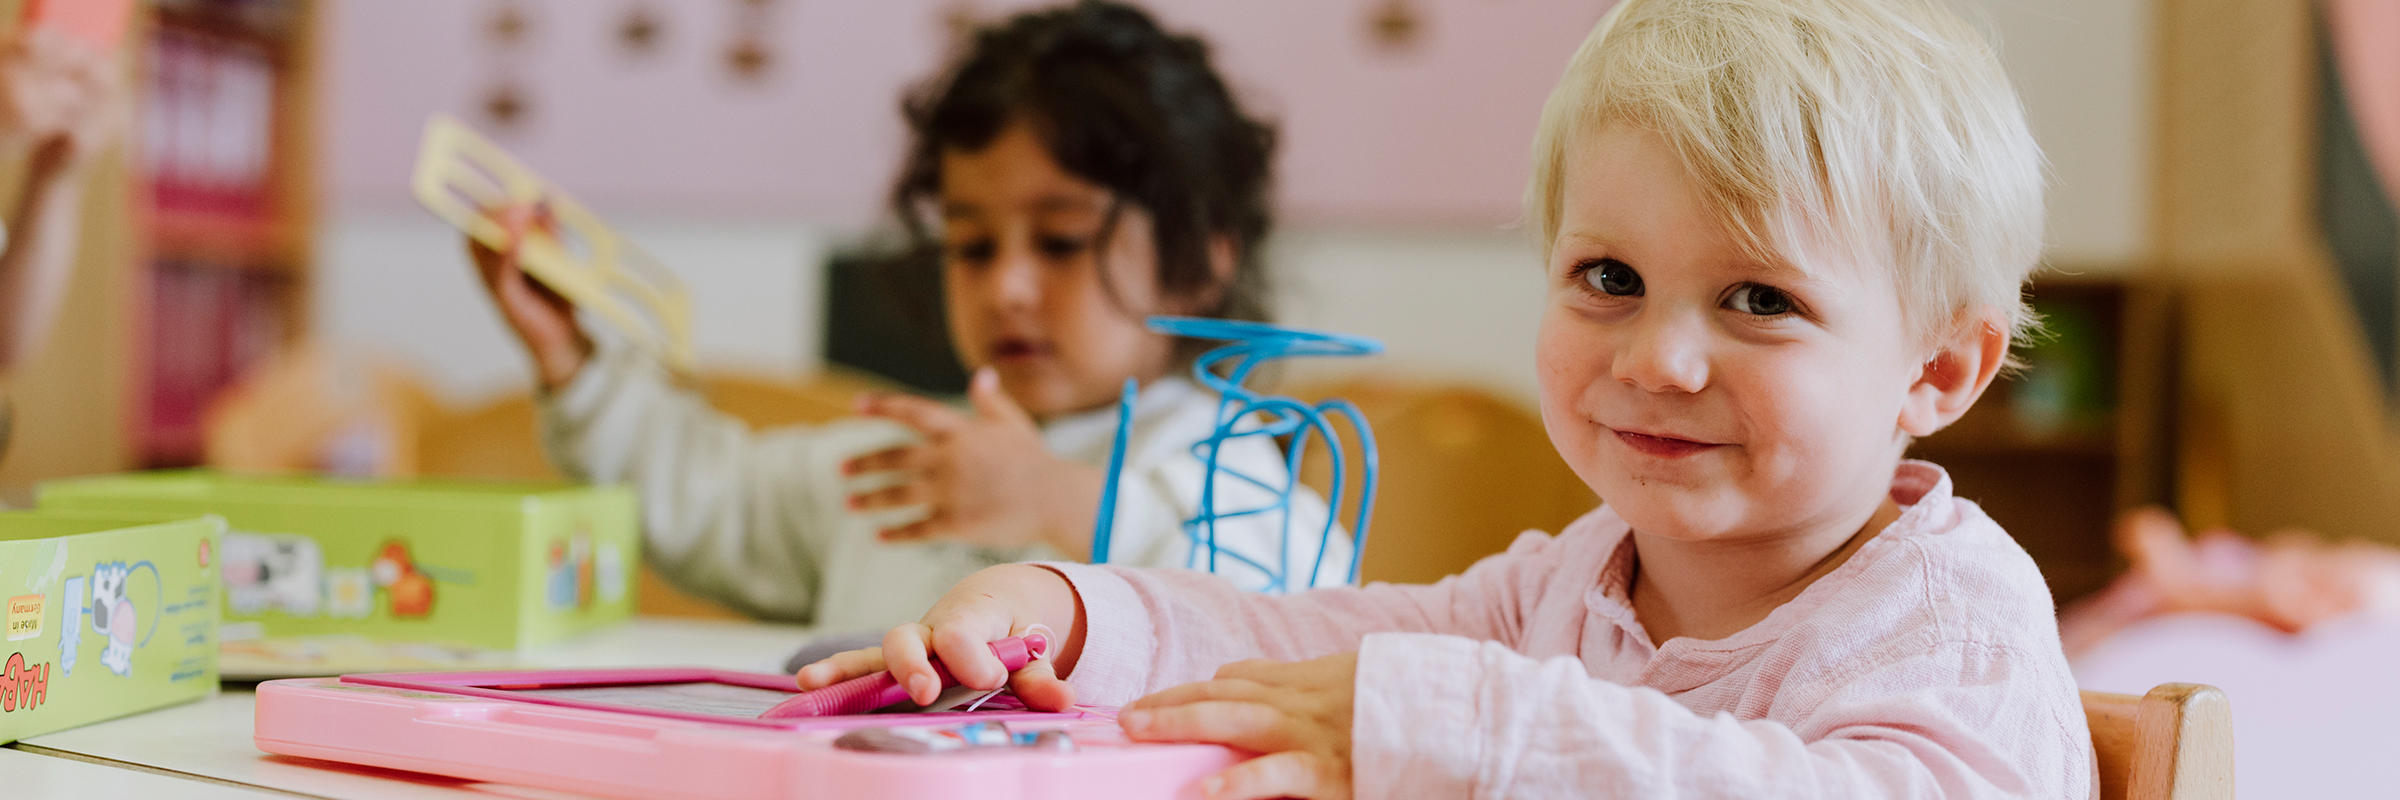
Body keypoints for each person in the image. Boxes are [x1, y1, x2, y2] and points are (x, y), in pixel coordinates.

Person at [796, 0, 2093, 797]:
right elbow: (1306, 637)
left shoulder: (1953, 618)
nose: (1655, 360)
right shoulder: (1570, 588)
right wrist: (1066, 614)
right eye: (1608, 278)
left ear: (1936, 370)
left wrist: (1455, 731)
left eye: (1759, 300)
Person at [467, 1, 1349, 634]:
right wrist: (571, 357)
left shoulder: (1222, 464)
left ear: (1200, 261)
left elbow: (1287, 612)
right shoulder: (909, 465)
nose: (1005, 286)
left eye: (1062, 240)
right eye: (970, 246)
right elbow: (711, 499)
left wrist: (1052, 498)